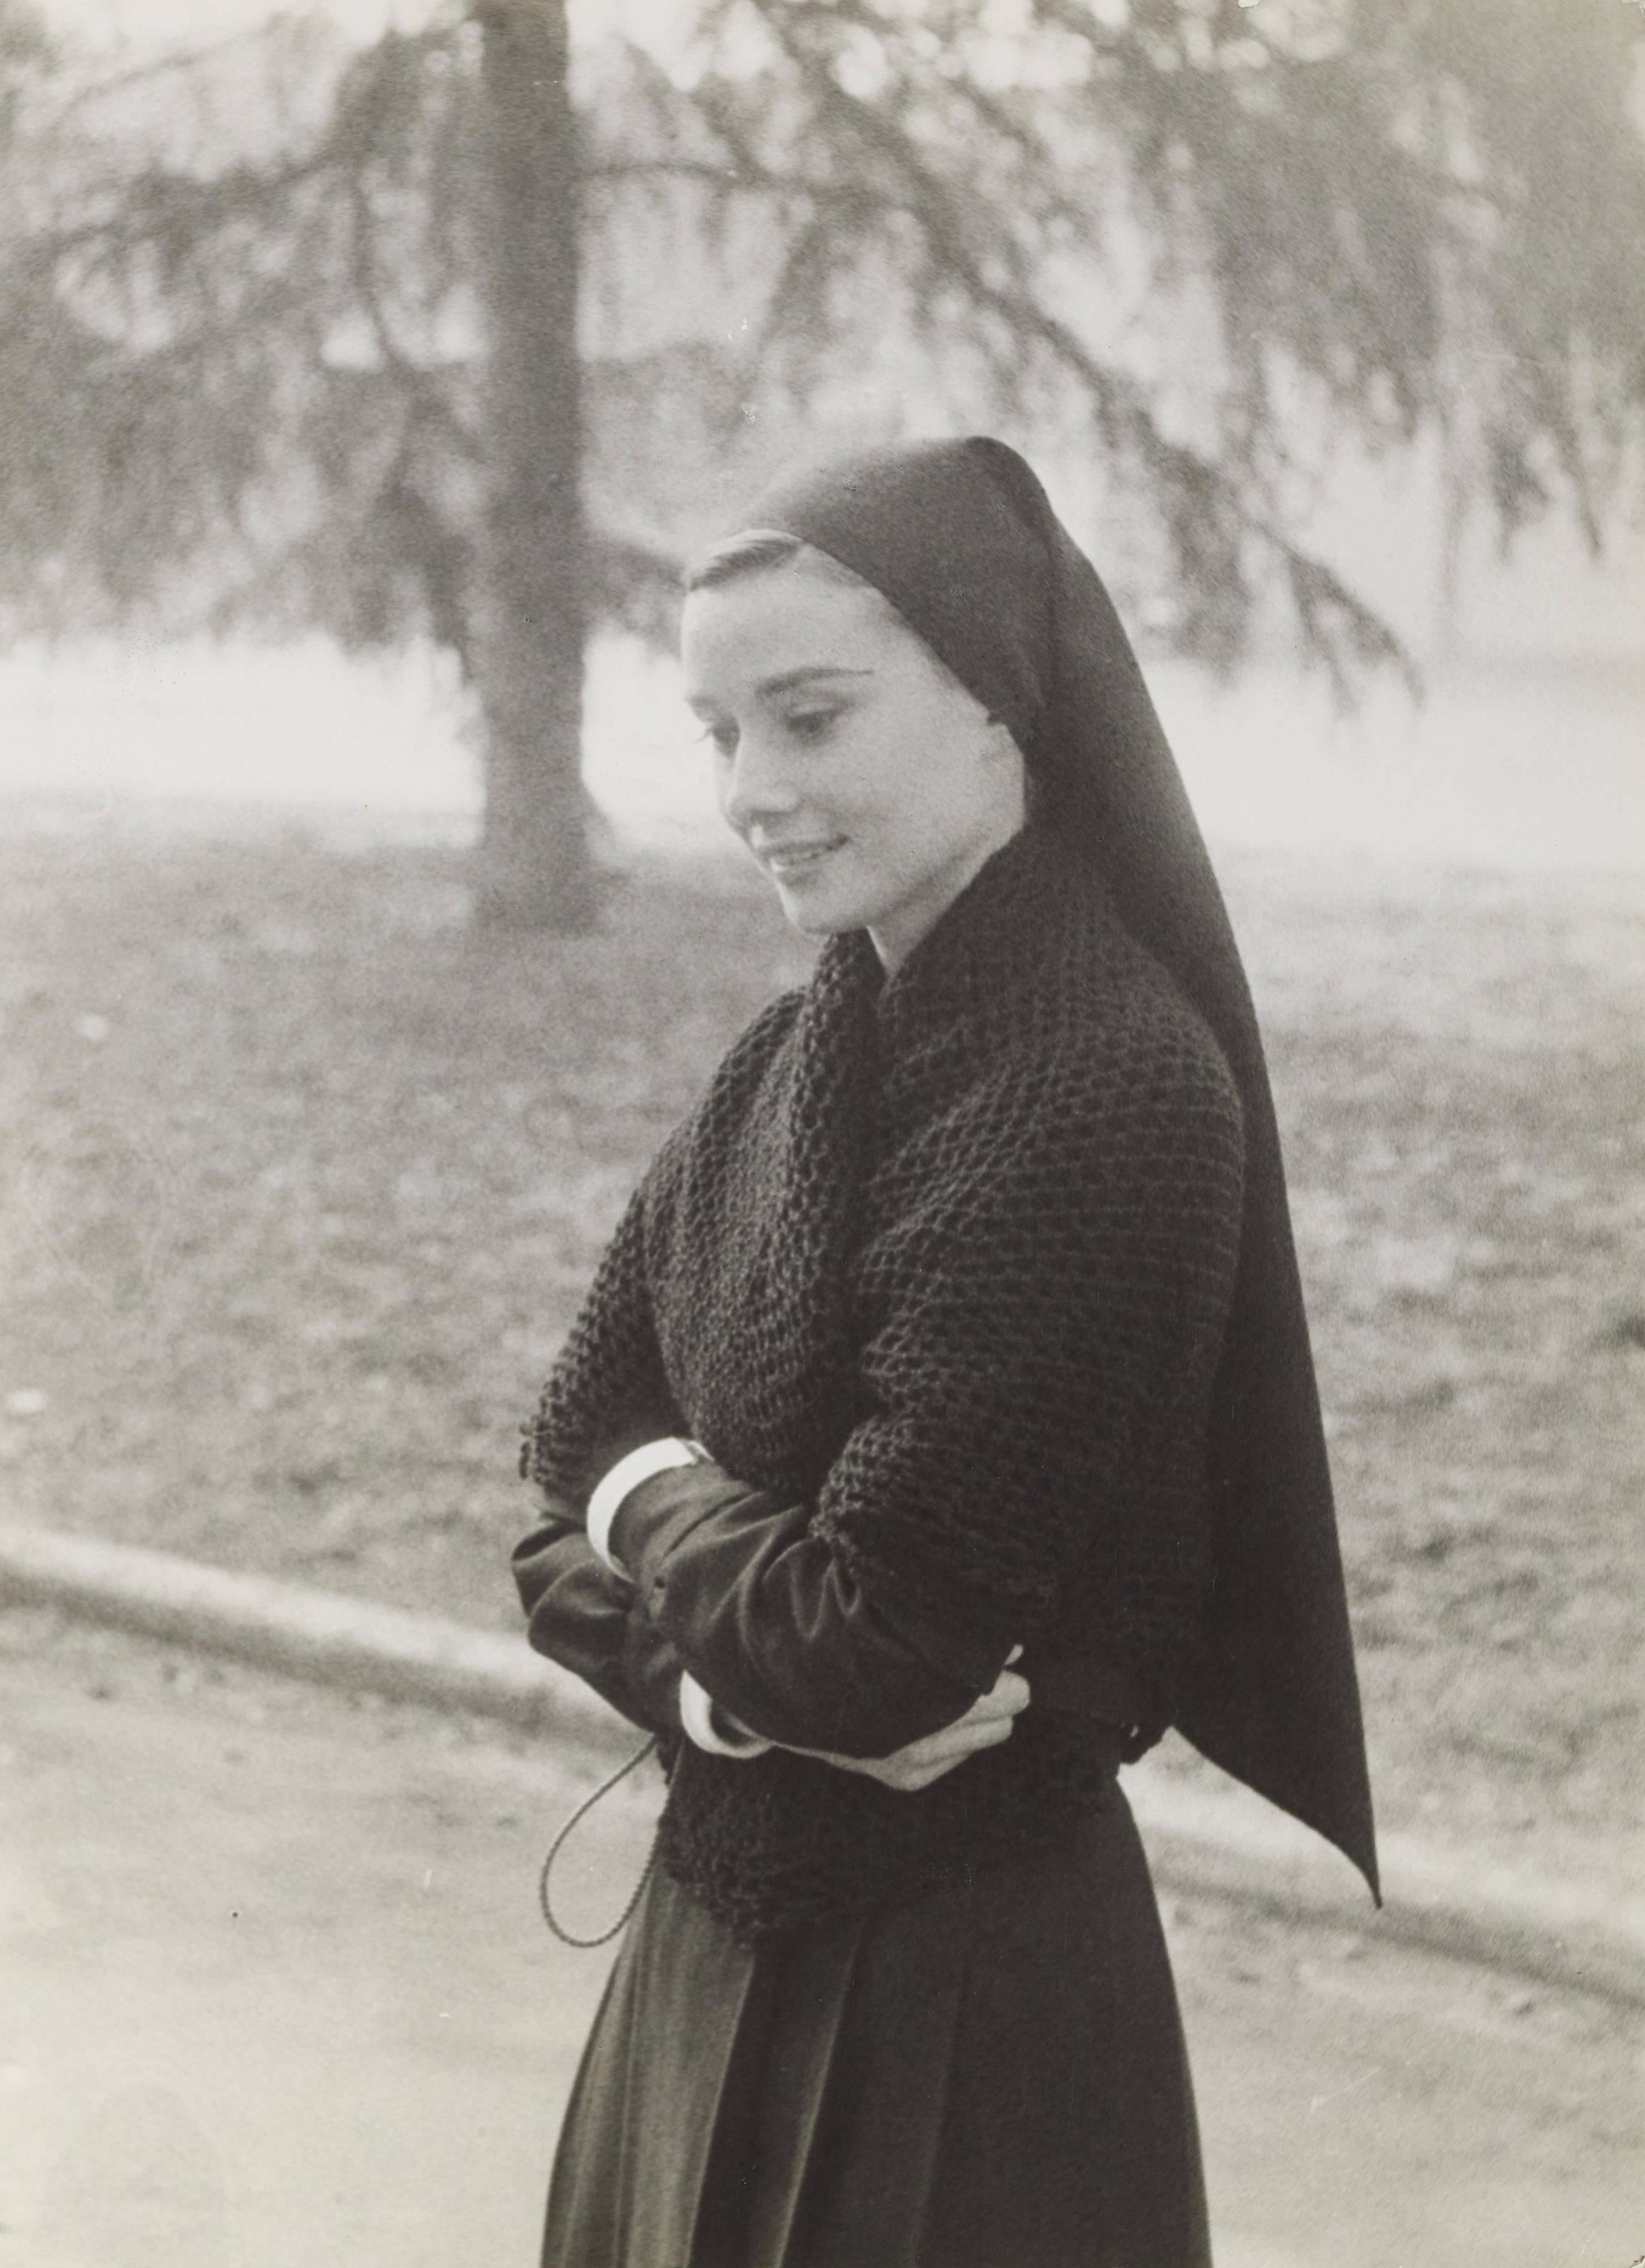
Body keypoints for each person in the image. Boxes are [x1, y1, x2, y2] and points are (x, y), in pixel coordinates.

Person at [512, 437, 1376, 2268]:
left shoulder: (1113, 1091)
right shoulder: (789, 1059)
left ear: (998, 699)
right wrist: (719, 1683)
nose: (754, 790)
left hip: (963, 2015)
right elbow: (564, 1469)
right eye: (719, 731)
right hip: (701, 1945)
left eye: (810, 718)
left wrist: (652, 1511)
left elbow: (881, 1646)